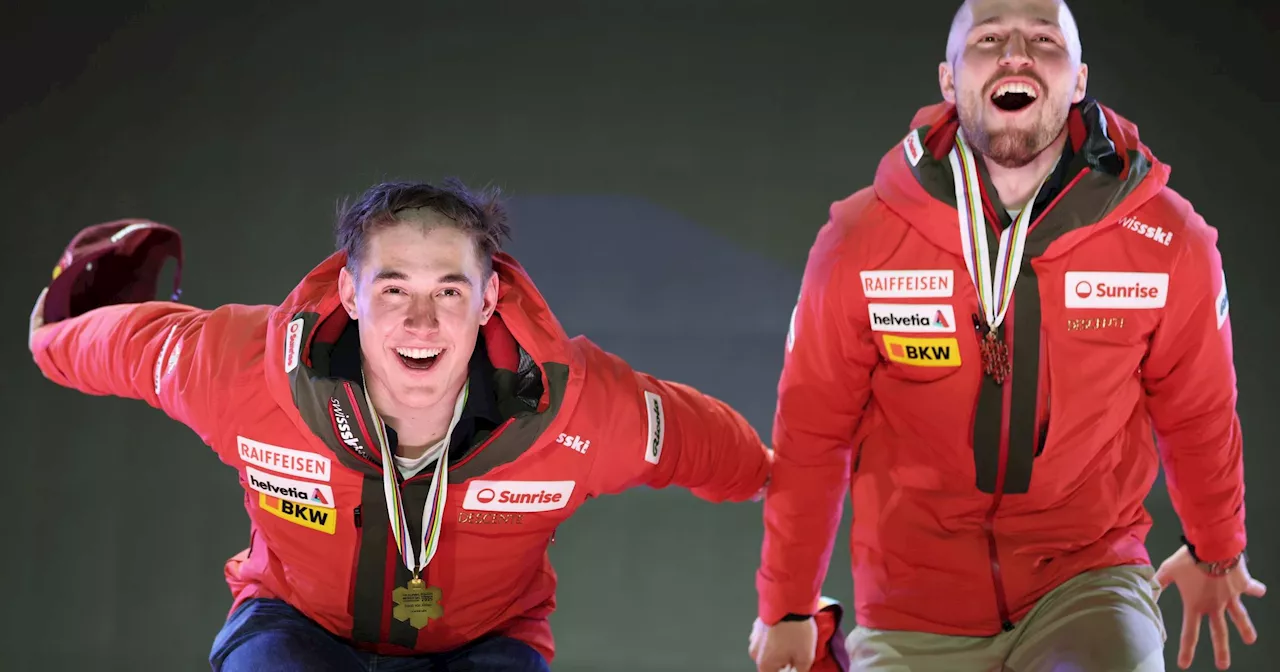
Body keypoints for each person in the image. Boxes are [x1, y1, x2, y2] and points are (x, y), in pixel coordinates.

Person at [27, 178, 774, 671]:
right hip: (293, 628)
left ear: (489, 302)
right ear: (350, 294)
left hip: (485, 644)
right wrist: (54, 329)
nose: (421, 321)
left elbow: (722, 451)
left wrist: (789, 483)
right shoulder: (242, 369)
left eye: (450, 290)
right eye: (394, 287)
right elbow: (113, 344)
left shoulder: (576, 410)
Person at [747, 1, 1266, 671]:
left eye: (1043, 40)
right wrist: (786, 606)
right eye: (989, 39)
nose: (1015, 55)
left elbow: (1197, 412)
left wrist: (1216, 550)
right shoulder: (859, 241)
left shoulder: (1167, 243)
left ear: (1078, 79)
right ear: (947, 79)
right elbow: (813, 435)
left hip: (1086, 581)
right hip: (911, 608)